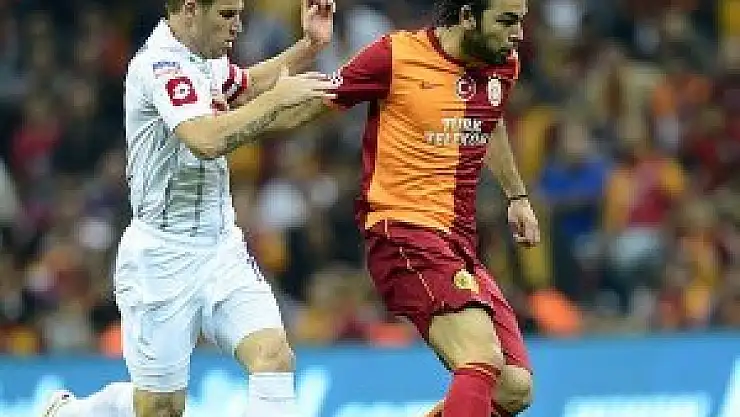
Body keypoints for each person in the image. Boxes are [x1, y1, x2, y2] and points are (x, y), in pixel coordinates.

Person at [41, 0, 335, 417]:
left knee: (273, 357)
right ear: (191, 9)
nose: (238, 26)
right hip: (162, 256)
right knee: (160, 408)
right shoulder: (160, 66)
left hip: (222, 246)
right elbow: (206, 139)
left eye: (239, 13)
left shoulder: (206, 56)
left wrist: (310, 46)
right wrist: (278, 102)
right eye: (227, 15)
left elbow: (246, 86)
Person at [247, 0, 540, 415]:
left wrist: (517, 196)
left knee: (514, 388)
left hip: (458, 242)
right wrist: (234, 121)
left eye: (520, 21)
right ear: (467, 17)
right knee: (480, 358)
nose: (518, 35)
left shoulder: (502, 64)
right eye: (506, 21)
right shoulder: (394, 55)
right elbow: (307, 109)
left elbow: (489, 122)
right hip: (403, 232)